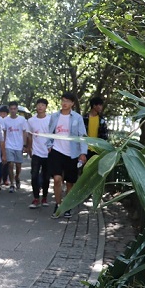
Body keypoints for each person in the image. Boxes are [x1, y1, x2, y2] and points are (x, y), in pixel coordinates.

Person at [46, 91, 88, 219]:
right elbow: (50, 132)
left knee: (70, 182)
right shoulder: (54, 116)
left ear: (72, 103)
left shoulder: (77, 118)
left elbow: (82, 136)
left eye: (68, 101)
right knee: (57, 179)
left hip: (72, 153)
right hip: (56, 151)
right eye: (63, 100)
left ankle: (67, 206)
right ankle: (58, 205)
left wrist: (83, 152)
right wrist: (49, 145)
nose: (65, 103)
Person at [26, 98, 51, 209]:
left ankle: (44, 197)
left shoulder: (50, 120)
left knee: (46, 177)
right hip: (36, 152)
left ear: (46, 107)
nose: (40, 107)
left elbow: (54, 135)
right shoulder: (31, 121)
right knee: (34, 175)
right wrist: (29, 148)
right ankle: (36, 198)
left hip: (48, 153)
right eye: (39, 104)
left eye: (43, 105)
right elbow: (29, 135)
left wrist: (52, 147)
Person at [2, 101, 28, 192]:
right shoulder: (5, 120)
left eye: (14, 109)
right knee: (10, 164)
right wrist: (3, 145)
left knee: (18, 165)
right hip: (9, 145)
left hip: (19, 145)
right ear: (9, 109)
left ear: (17, 109)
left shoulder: (22, 120)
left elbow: (25, 132)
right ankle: (12, 184)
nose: (13, 110)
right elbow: (4, 133)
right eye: (11, 109)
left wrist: (25, 144)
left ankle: (17, 177)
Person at [83, 96, 109, 162]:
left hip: (97, 150)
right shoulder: (84, 118)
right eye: (100, 105)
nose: (101, 107)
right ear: (94, 106)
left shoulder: (101, 120)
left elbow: (105, 136)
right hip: (85, 149)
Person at [0, 105, 10, 188]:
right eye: (2, 113)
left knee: (6, 163)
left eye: (5, 113)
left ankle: (5, 178)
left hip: (7, 144)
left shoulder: (8, 121)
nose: (3, 115)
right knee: (0, 163)